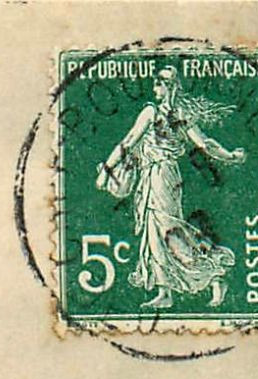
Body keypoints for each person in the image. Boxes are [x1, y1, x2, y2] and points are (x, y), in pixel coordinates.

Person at [97, 66, 247, 310]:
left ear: (169, 86)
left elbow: (128, 141)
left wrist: (107, 169)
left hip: (160, 175)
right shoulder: (179, 115)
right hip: (160, 175)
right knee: (156, 230)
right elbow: (205, 144)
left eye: (158, 84)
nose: (154, 88)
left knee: (166, 228)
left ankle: (213, 276)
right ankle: (165, 291)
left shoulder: (153, 112)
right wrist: (229, 155)